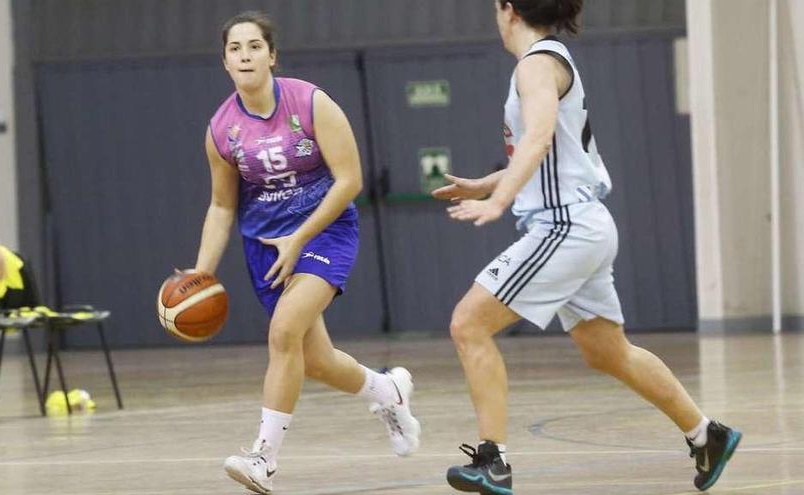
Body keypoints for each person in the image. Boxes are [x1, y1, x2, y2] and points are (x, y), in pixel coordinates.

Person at [433, 1, 741, 493]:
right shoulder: (549, 61)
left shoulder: (535, 65)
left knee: (468, 324)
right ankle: (707, 434)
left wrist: (499, 202)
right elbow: (555, 153)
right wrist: (486, 185)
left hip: (565, 228)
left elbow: (536, 140)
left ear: (508, 9)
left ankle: (493, 461)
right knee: (607, 352)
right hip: (586, 226)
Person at [191, 12, 420, 494]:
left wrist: (300, 237)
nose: (246, 55)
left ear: (272, 55)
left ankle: (263, 458)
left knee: (284, 331)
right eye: (236, 49)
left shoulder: (311, 103)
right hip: (266, 248)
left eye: (255, 46)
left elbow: (350, 181)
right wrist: (200, 275)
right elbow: (220, 205)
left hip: (325, 232)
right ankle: (389, 391)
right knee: (314, 360)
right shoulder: (221, 130)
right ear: (225, 62)